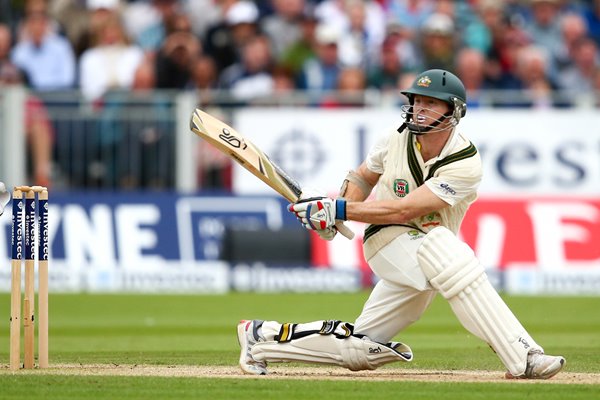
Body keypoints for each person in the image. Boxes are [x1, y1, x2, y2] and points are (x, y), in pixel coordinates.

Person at [236, 69, 566, 380]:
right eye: (416, 101)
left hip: (425, 253)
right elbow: (362, 177)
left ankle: (259, 337)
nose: (419, 109)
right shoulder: (393, 137)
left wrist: (337, 209)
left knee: (360, 346)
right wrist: (336, 212)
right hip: (388, 243)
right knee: (445, 250)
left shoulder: (465, 163)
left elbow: (406, 210)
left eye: (430, 103)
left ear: (453, 111)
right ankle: (524, 357)